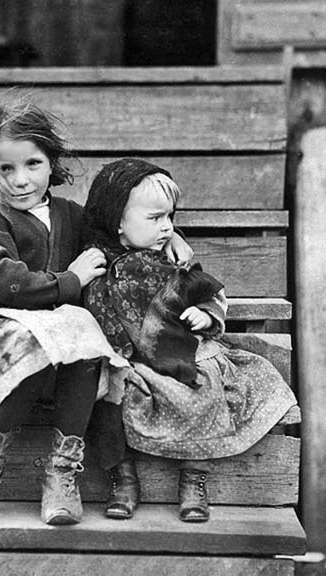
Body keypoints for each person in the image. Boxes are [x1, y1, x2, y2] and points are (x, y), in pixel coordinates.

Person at [0, 91, 192, 528]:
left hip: (58, 361)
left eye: (33, 164)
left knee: (80, 339)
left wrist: (165, 235)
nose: (21, 180)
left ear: (51, 162)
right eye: (6, 168)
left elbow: (119, 231)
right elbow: (1, 284)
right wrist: (70, 281)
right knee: (54, 332)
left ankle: (62, 472)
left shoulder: (68, 215)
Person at [82, 158, 298, 523]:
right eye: (155, 219)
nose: (167, 227)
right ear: (116, 219)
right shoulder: (96, 262)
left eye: (171, 218)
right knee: (102, 394)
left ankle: (194, 478)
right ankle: (122, 478)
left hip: (182, 355)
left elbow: (206, 290)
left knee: (203, 387)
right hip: (127, 360)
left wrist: (207, 313)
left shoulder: (167, 261)